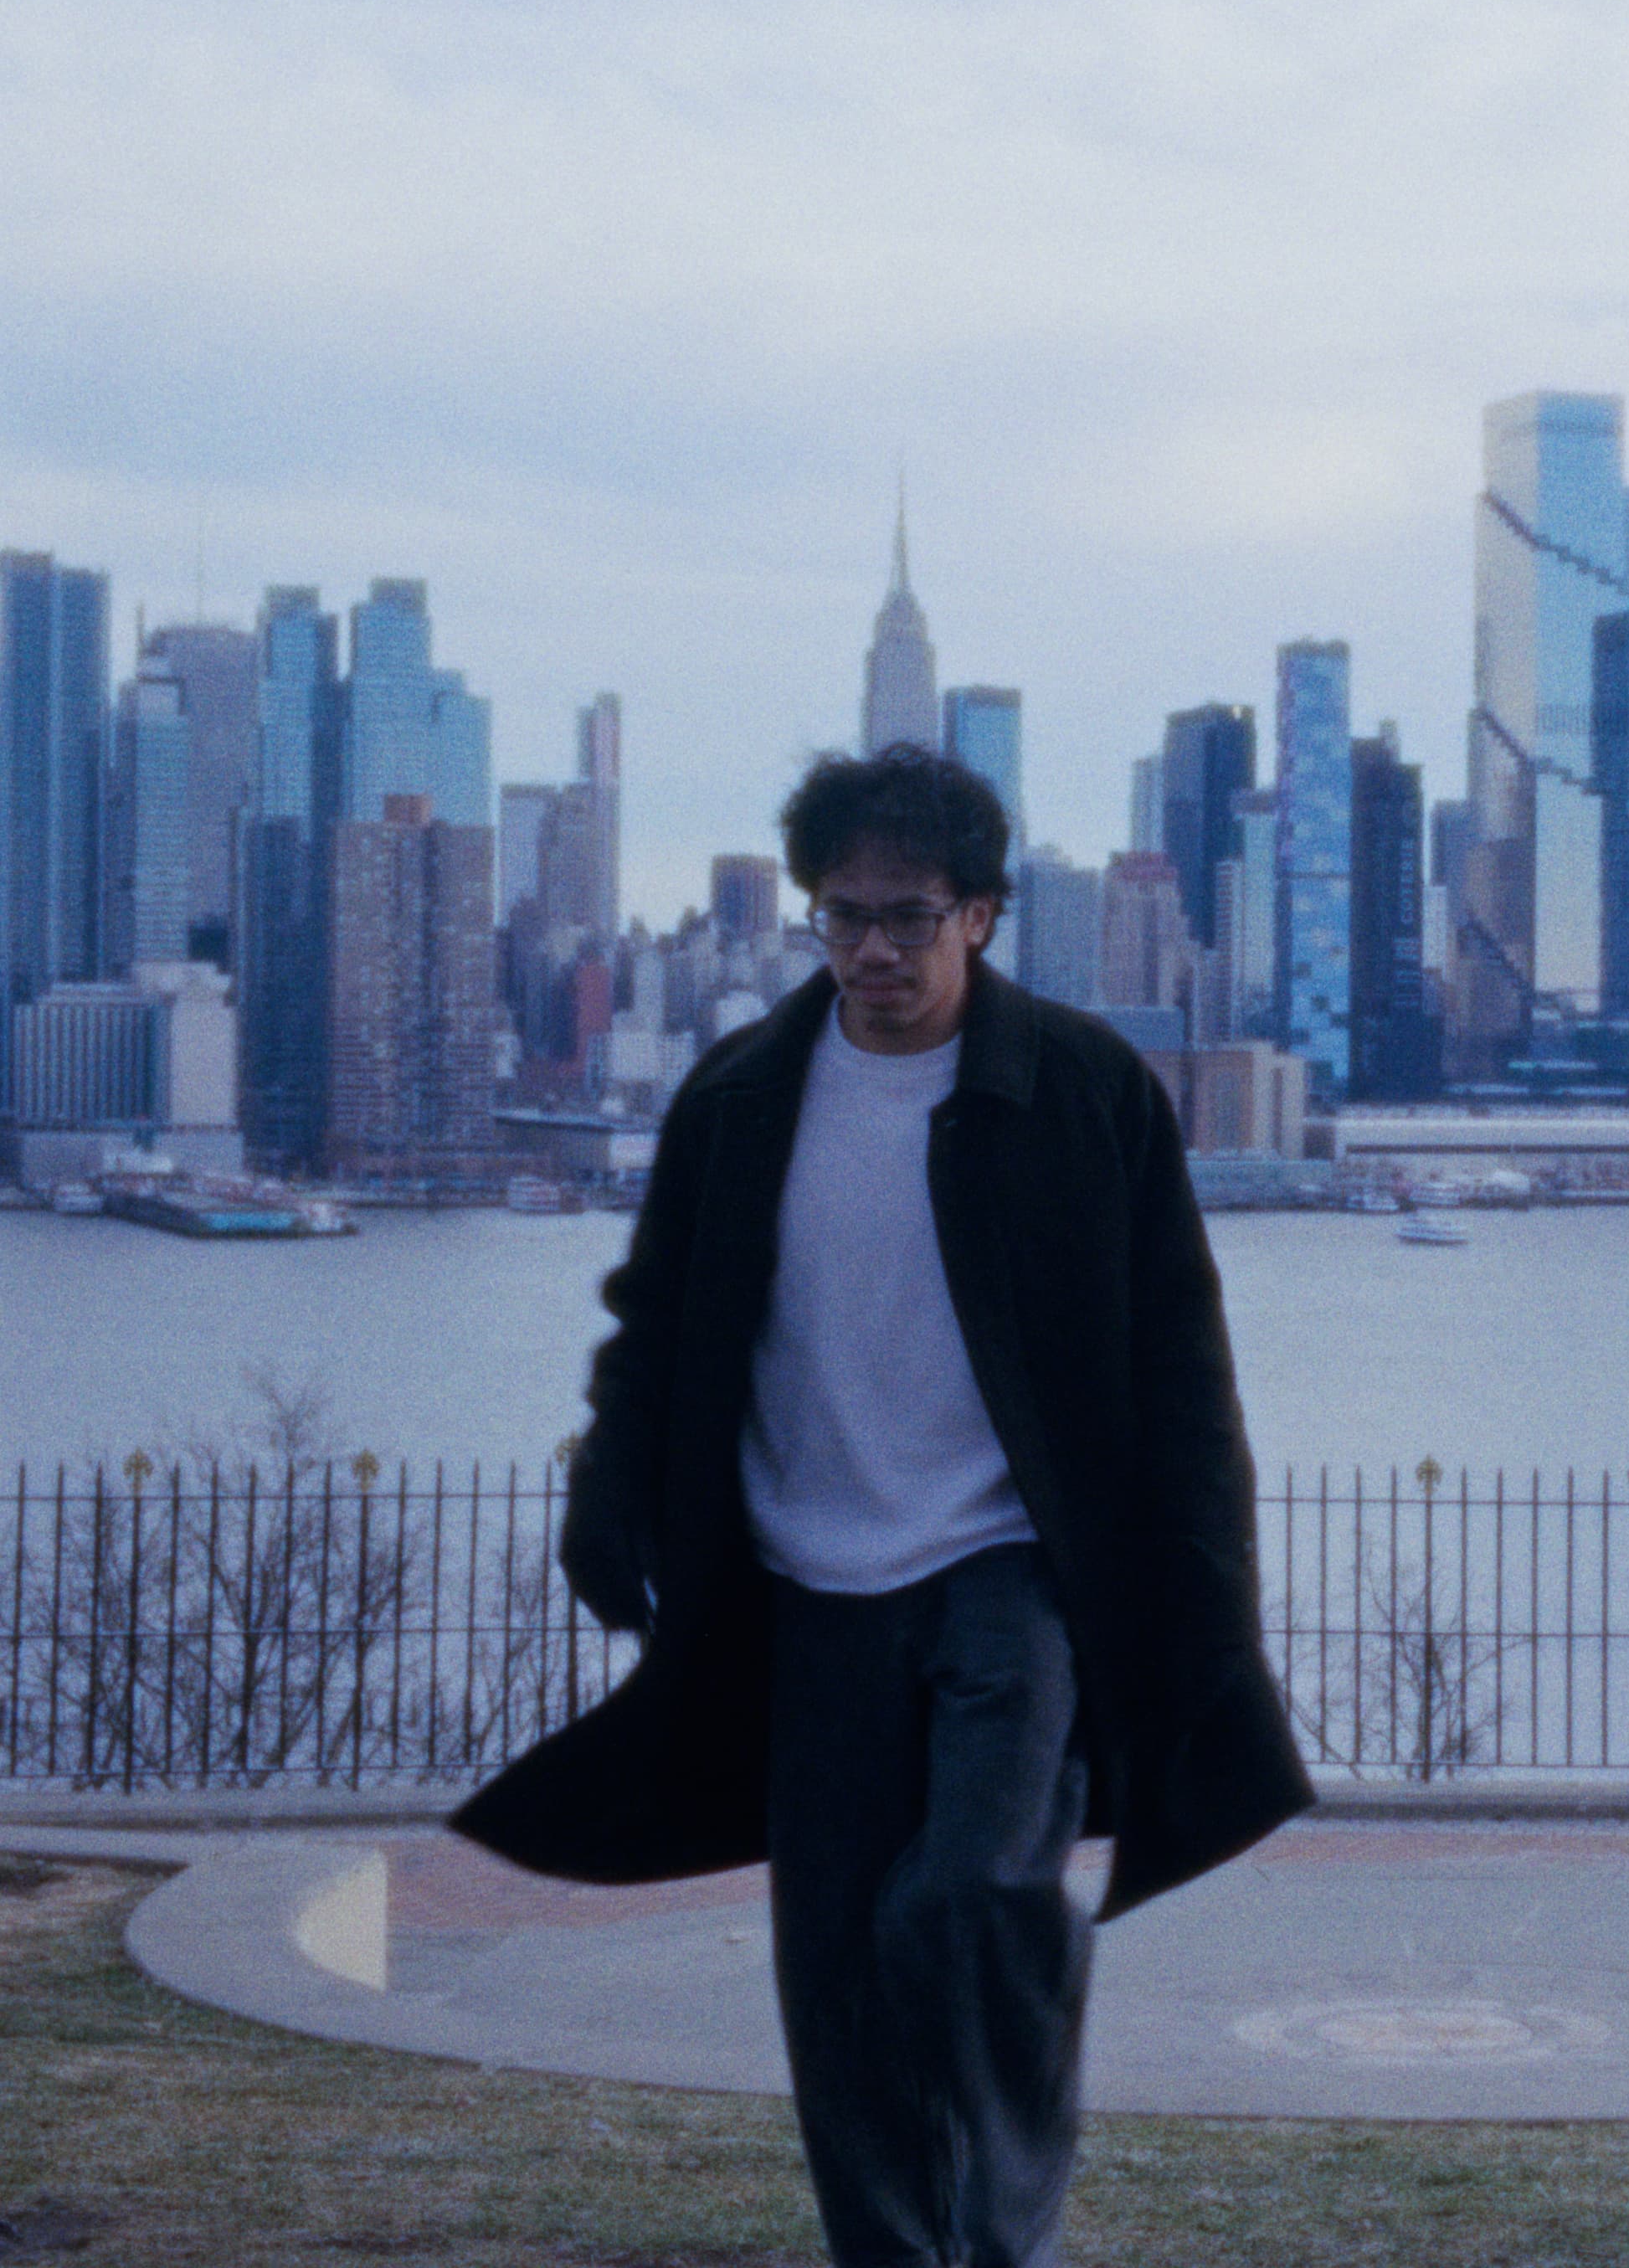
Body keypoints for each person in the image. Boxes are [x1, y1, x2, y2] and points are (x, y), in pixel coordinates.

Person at [455, 746, 1311, 2268]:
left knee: (971, 1891)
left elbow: (1181, 1368)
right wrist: (610, 1495)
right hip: (808, 1587)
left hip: (1010, 1569)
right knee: (840, 1973)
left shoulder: (1083, 1090)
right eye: (843, 915)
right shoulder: (739, 1096)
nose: (872, 949)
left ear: (981, 915)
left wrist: (1208, 1603)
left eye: (909, 916)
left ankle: (1003, 2231)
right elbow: (659, 1321)